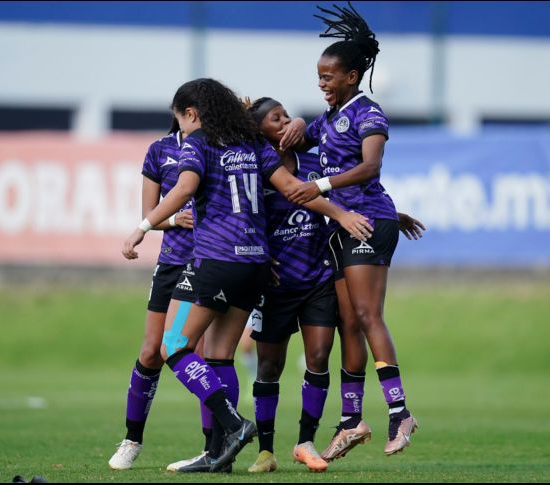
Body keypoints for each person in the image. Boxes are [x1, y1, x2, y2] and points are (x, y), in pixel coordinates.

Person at [121, 78, 373, 473]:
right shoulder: (253, 145)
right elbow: (292, 187)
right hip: (256, 264)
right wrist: (340, 212)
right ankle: (218, 456)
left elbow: (185, 186)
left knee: (173, 346)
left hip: (217, 260)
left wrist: (144, 225)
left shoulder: (199, 142)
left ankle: (233, 423)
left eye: (181, 121)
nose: (181, 130)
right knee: (221, 356)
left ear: (192, 114)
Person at [281, 2, 423, 460]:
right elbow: (303, 139)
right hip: (347, 227)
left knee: (366, 316)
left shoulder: (369, 113)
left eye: (328, 76)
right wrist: (300, 122)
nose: (321, 83)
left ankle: (400, 413)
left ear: (352, 75)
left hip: (364, 224)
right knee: (348, 324)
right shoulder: (331, 115)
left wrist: (320, 185)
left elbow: (370, 166)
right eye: (319, 76)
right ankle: (350, 420)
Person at [108, 120, 215, 471]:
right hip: (171, 263)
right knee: (151, 351)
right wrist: (174, 221)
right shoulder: (159, 151)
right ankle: (131, 439)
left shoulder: (219, 146)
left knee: (198, 352)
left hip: (208, 262)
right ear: (183, 112)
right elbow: (149, 216)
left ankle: (213, 445)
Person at [242, 98, 338, 473]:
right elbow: (243, 219)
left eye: (286, 115)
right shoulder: (252, 170)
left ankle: (305, 441)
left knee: (318, 358)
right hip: (275, 284)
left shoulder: (313, 164)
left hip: (318, 278)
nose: (284, 122)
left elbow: (345, 197)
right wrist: (262, 258)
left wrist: (387, 216)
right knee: (269, 366)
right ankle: (265, 452)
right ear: (259, 131)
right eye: (274, 118)